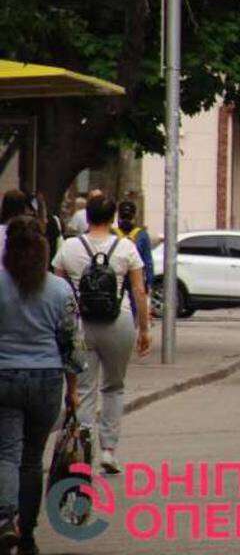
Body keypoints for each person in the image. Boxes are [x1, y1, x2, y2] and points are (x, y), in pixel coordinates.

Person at [52, 195, 150, 475]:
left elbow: (58, 288)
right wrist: (144, 329)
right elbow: (139, 290)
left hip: (81, 324)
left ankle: (82, 450)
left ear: (87, 217)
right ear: (113, 218)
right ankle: (108, 450)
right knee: (114, 386)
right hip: (119, 321)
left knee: (83, 390)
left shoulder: (69, 247)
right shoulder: (126, 247)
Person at [0, 216, 80, 554]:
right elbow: (71, 345)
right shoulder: (60, 289)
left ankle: (6, 520)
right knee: (32, 459)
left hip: (4, 377)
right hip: (47, 379)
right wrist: (73, 390)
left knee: (6, 453)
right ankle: (28, 535)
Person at [113, 200, 154, 311]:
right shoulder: (113, 233)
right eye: (123, 217)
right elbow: (148, 261)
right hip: (120, 275)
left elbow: (147, 261)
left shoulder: (141, 235)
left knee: (135, 305)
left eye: (129, 217)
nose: (126, 221)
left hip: (132, 275)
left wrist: (149, 281)